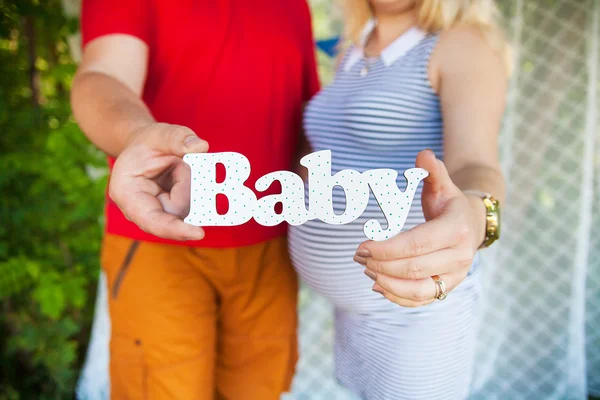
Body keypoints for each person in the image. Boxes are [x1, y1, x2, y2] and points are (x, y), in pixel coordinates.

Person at [71, 0, 319, 398]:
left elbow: (305, 115)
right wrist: (137, 136)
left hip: (271, 249)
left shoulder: (294, 5)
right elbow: (102, 76)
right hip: (159, 241)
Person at [288, 0, 508, 399]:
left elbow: (476, 164)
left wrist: (477, 218)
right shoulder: (355, 47)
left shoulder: (461, 44)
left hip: (415, 308)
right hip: (358, 307)